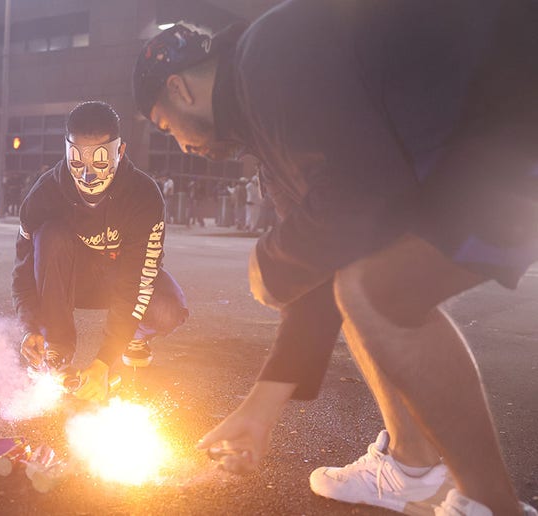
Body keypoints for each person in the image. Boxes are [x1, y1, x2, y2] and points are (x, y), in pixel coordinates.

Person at [133, 2, 538, 515]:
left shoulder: (268, 60)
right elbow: (324, 269)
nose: (182, 146)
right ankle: (411, 467)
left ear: (179, 88)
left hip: (513, 110)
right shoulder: (267, 135)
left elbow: (362, 196)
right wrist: (261, 407)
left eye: (166, 128)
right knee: (359, 280)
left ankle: (493, 506)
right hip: (481, 143)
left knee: (375, 290)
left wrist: (271, 263)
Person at [13, 101, 189, 402]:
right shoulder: (43, 195)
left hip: (122, 279)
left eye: (99, 163)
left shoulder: (143, 196)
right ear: (66, 151)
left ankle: (132, 338)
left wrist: (105, 360)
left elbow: (140, 280)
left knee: (167, 309)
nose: (88, 176)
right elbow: (24, 272)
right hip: (72, 281)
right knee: (51, 235)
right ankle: (57, 347)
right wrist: (31, 327)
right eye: (78, 163)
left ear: (119, 152)